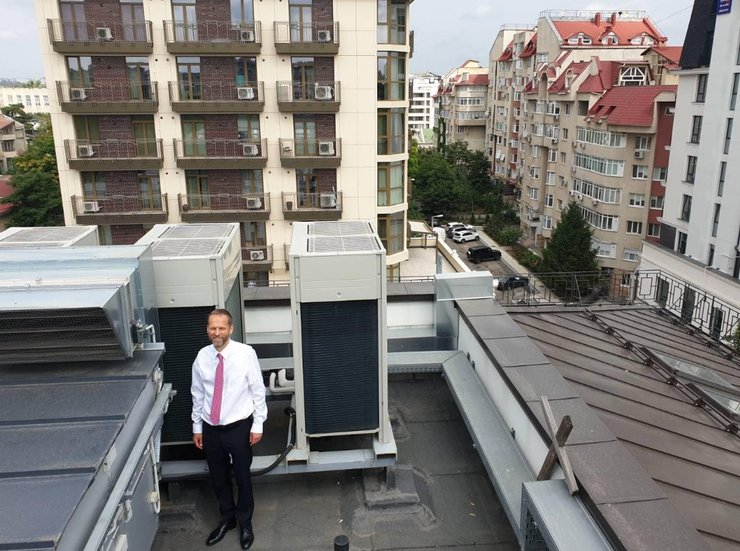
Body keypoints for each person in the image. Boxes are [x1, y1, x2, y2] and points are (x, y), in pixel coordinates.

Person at [191, 309, 267, 550]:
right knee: (218, 476)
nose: (217, 333)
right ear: (207, 329)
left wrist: (258, 424)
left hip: (239, 426)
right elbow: (198, 393)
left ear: (230, 329)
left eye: (221, 328)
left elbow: (257, 389)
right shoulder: (202, 356)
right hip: (211, 427)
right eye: (212, 328)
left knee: (242, 476)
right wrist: (197, 427)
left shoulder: (245, 354)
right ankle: (227, 519)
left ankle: (245, 522)